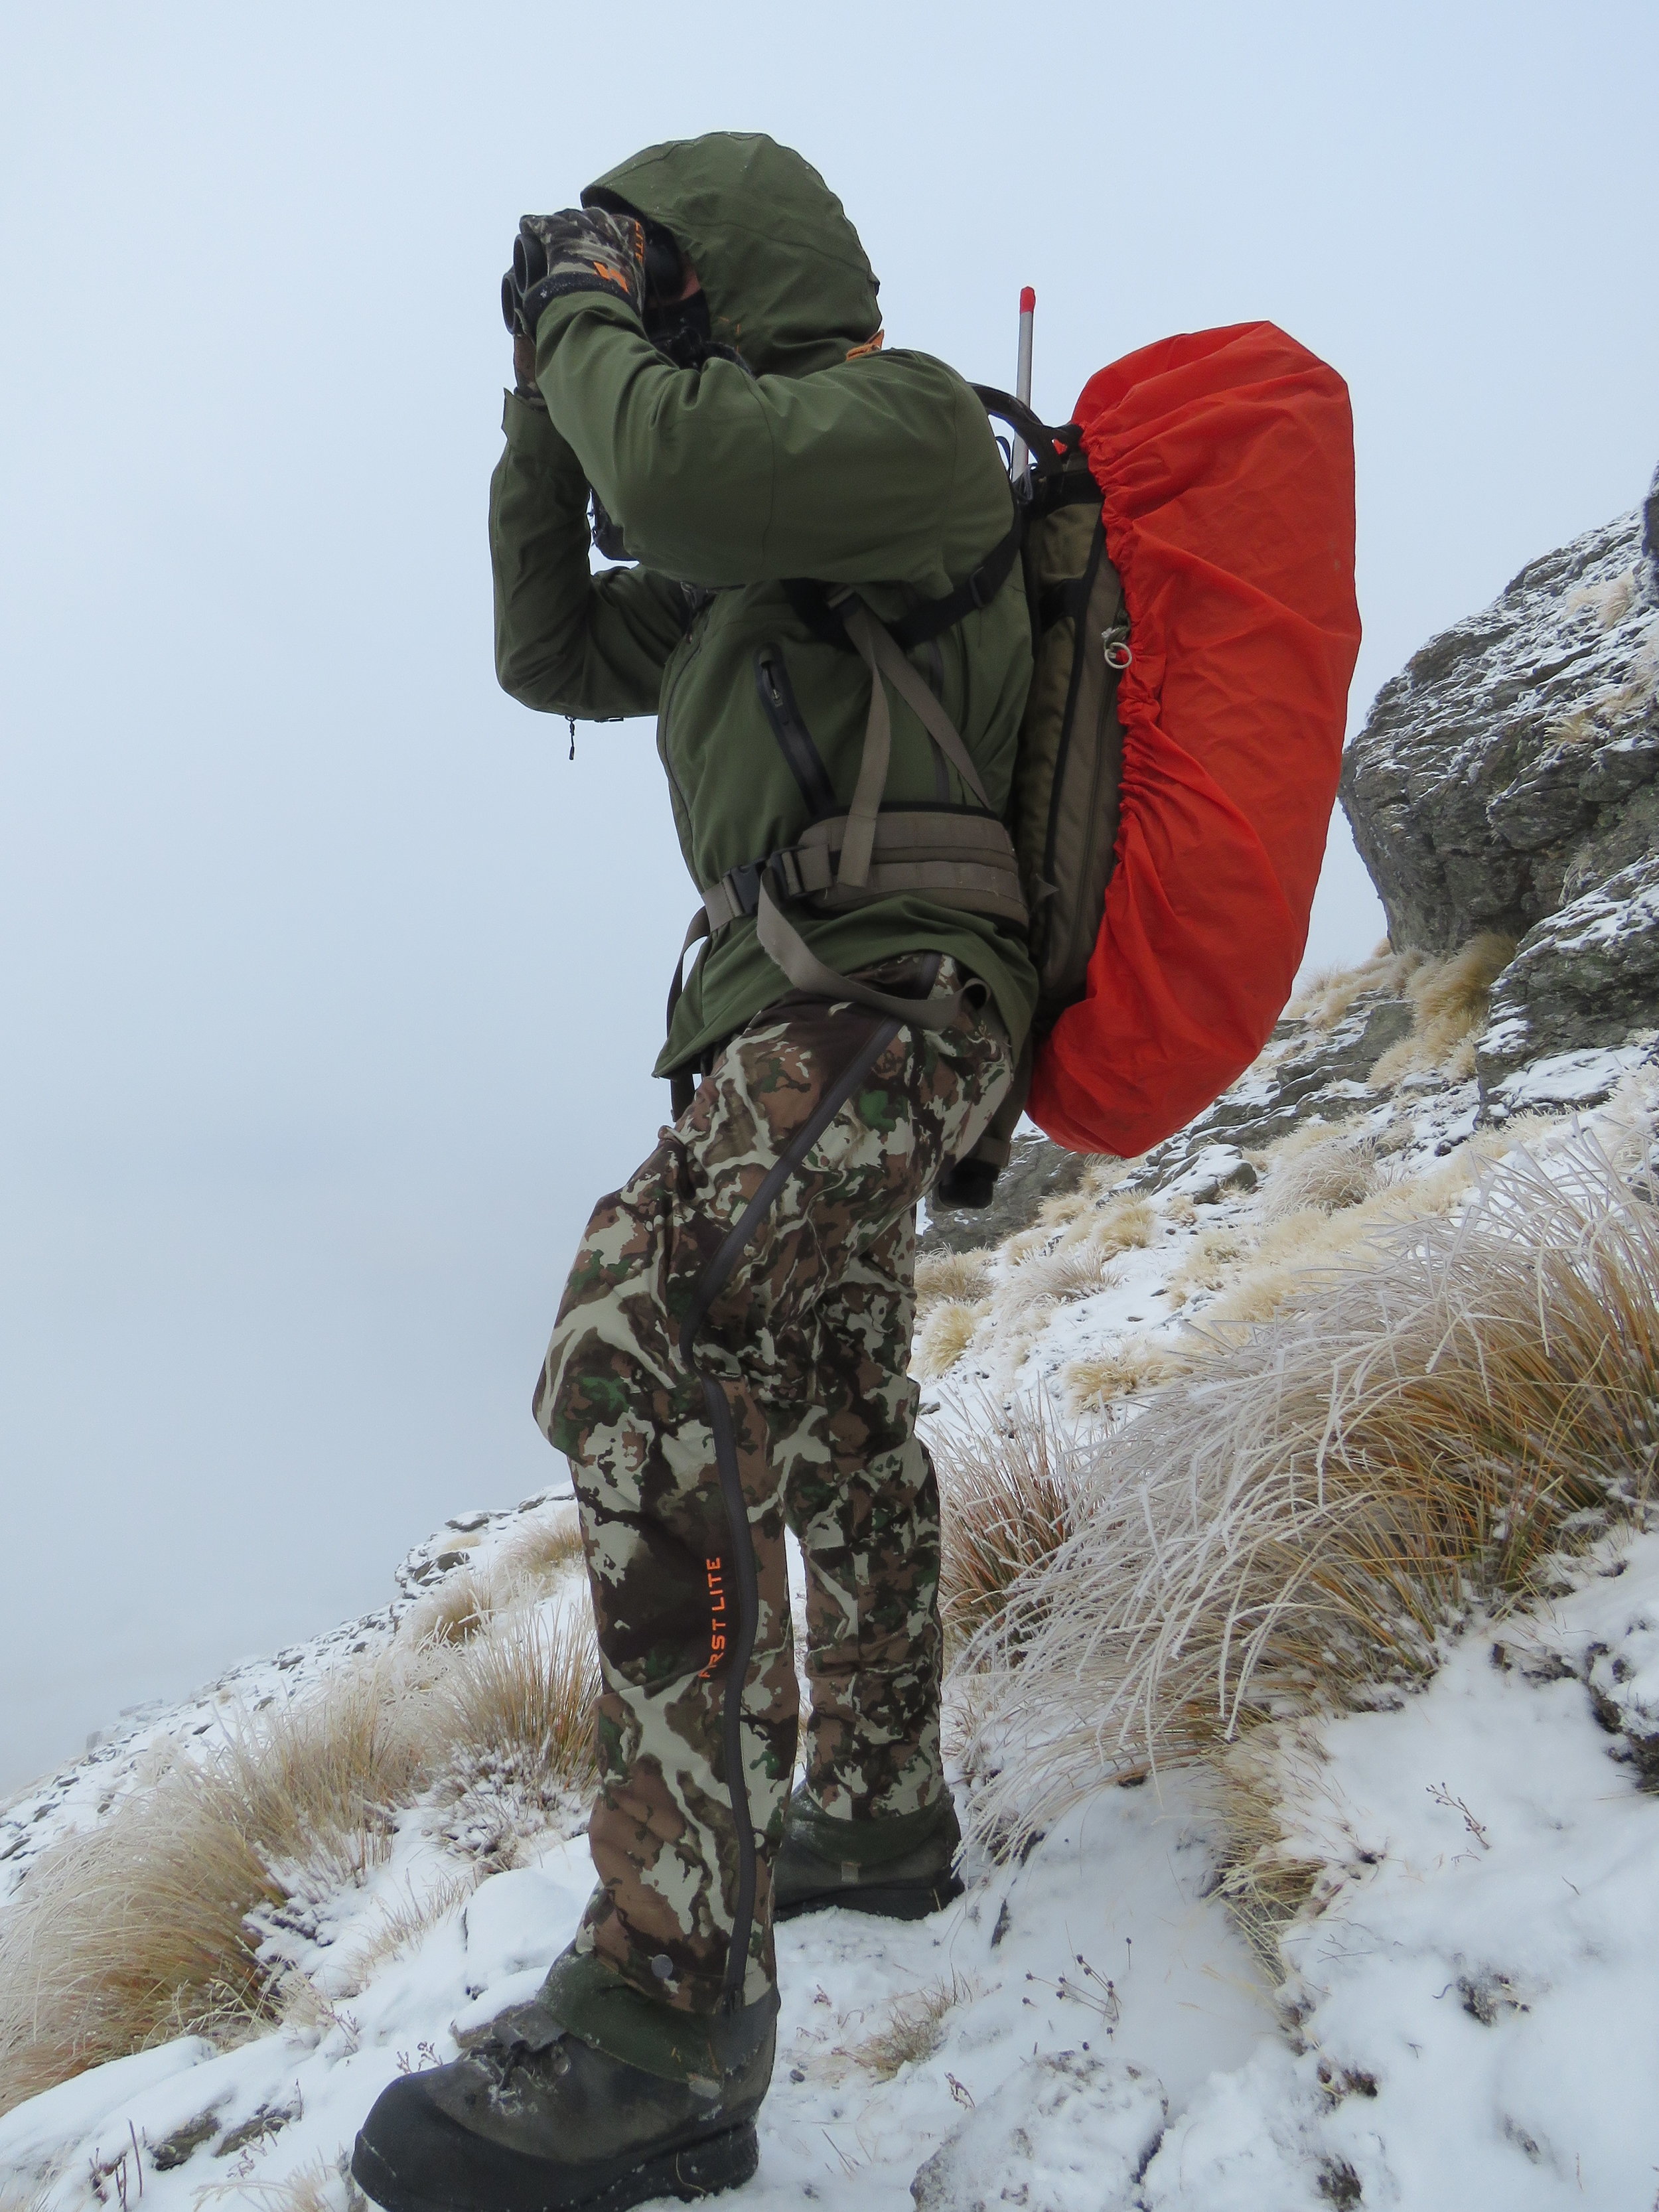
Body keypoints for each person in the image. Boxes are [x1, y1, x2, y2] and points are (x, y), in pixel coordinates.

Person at [353, 131, 1037, 2212]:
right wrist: (529, 386)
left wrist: (582, 321)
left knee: (636, 1345)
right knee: (833, 1417)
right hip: (794, 1022)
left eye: (643, 273)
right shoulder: (758, 557)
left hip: (873, 1007)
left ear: (722, 277)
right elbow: (551, 644)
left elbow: (664, 471)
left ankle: (670, 1999)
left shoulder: (898, 434)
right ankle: (875, 1815)